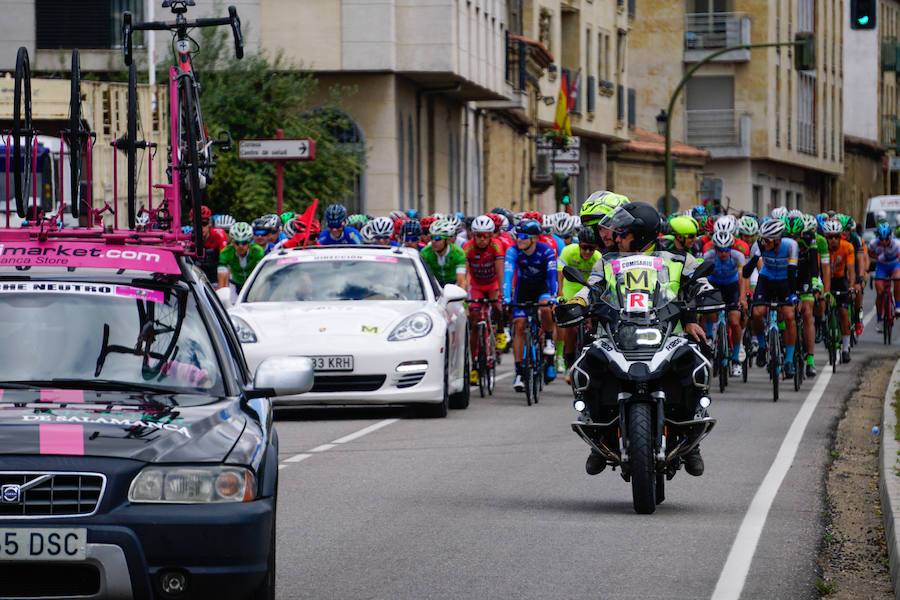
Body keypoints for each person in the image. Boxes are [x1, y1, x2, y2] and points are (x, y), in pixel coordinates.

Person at [567, 202, 710, 477]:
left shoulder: (679, 259)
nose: (616, 238)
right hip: (615, 333)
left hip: (667, 333)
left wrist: (706, 298)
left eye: (623, 233)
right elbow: (593, 287)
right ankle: (599, 441)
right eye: (617, 233)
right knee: (585, 368)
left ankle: (691, 441)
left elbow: (701, 283)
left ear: (640, 235)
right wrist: (576, 301)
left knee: (696, 365)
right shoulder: (606, 262)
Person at [503, 219, 559, 390]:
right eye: (517, 236)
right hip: (523, 289)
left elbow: (552, 278)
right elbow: (508, 275)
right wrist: (506, 297)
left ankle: (548, 340)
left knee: (544, 308)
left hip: (542, 288)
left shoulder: (546, 251)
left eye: (522, 236)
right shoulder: (513, 251)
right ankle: (519, 371)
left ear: (534, 238)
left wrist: (554, 296)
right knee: (519, 325)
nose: (518, 240)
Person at [743, 218, 800, 378]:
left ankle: (788, 360)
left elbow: (792, 272)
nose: (763, 242)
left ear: (777, 240)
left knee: (789, 316)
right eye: (762, 239)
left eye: (767, 240)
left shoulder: (791, 246)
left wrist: (792, 295)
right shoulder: (760, 245)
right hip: (766, 279)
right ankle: (762, 346)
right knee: (757, 313)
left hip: (784, 280)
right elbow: (746, 273)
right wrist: (756, 256)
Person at [464, 215, 506, 383]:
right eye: (479, 236)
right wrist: (466, 295)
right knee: (474, 321)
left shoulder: (496, 246)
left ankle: (501, 331)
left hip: (492, 283)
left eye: (486, 236)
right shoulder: (467, 248)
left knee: (497, 307)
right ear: (473, 235)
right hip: (476, 285)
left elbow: (501, 273)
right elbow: (466, 275)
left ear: (491, 236)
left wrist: (502, 293)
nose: (482, 240)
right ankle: (474, 364)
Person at [556, 226, 601, 374]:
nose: (587, 252)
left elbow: (599, 283)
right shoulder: (568, 251)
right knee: (572, 327)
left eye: (591, 249)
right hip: (570, 287)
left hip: (587, 287)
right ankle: (568, 359)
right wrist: (560, 294)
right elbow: (560, 275)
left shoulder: (598, 257)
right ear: (579, 244)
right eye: (584, 248)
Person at [702, 231, 747, 377]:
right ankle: (710, 336)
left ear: (731, 248)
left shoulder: (737, 256)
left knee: (734, 321)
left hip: (732, 287)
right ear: (715, 249)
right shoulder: (708, 256)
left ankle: (735, 359)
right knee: (707, 309)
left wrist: (742, 297)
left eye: (726, 249)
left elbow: (742, 279)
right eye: (720, 250)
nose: (723, 253)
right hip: (714, 285)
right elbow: (702, 279)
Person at [823, 218, 855, 363]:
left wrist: (852, 287)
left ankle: (845, 348)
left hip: (841, 281)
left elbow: (850, 270)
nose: (833, 240)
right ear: (826, 237)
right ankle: (823, 328)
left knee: (843, 313)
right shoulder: (822, 248)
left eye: (836, 236)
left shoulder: (847, 247)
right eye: (830, 237)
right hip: (826, 280)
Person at [868, 220, 900, 332]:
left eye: (887, 239)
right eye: (882, 239)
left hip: (894, 264)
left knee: (897, 280)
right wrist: (869, 271)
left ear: (890, 237)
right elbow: (869, 257)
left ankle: (897, 306)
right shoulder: (873, 244)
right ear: (878, 238)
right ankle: (879, 319)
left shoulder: (897, 244)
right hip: (881, 267)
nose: (885, 242)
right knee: (880, 292)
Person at [217, 222, 265, 292]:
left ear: (249, 242)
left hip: (253, 284)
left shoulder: (257, 251)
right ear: (232, 242)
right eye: (237, 242)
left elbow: (262, 276)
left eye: (244, 242)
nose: (240, 246)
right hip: (235, 283)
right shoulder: (225, 253)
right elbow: (222, 280)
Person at [420, 219, 467, 287]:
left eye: (437, 238)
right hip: (434, 286)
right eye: (432, 237)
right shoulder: (425, 253)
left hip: (453, 285)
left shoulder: (458, 253)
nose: (433, 241)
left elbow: (461, 281)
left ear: (448, 240)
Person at [195, 205, 228, 285]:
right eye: (197, 224)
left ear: (209, 223)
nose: (201, 228)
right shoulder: (188, 237)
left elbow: (224, 262)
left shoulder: (218, 235)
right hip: (197, 280)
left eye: (204, 223)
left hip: (215, 279)